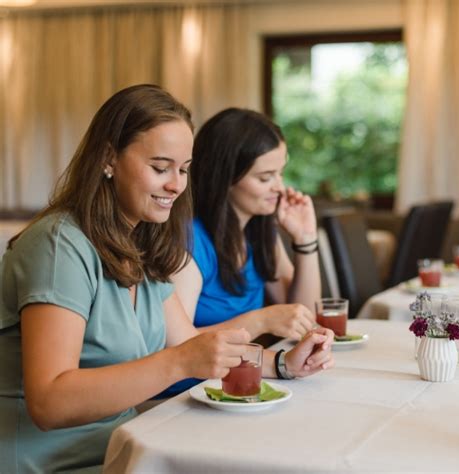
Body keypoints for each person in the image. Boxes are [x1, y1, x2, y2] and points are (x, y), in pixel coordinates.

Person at [0, 85, 334, 473]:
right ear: (109, 158)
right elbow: (50, 402)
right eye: (160, 168)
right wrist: (177, 363)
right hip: (51, 463)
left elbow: (191, 343)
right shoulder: (59, 246)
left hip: (125, 448)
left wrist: (282, 364)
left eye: (184, 170)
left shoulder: (137, 242)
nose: (176, 185)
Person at [173, 108, 322, 340]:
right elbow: (177, 344)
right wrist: (260, 321)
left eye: (280, 173)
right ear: (225, 178)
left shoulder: (259, 229)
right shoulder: (188, 241)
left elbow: (305, 318)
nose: (279, 188)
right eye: (265, 178)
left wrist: (306, 240)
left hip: (246, 371)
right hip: (202, 377)